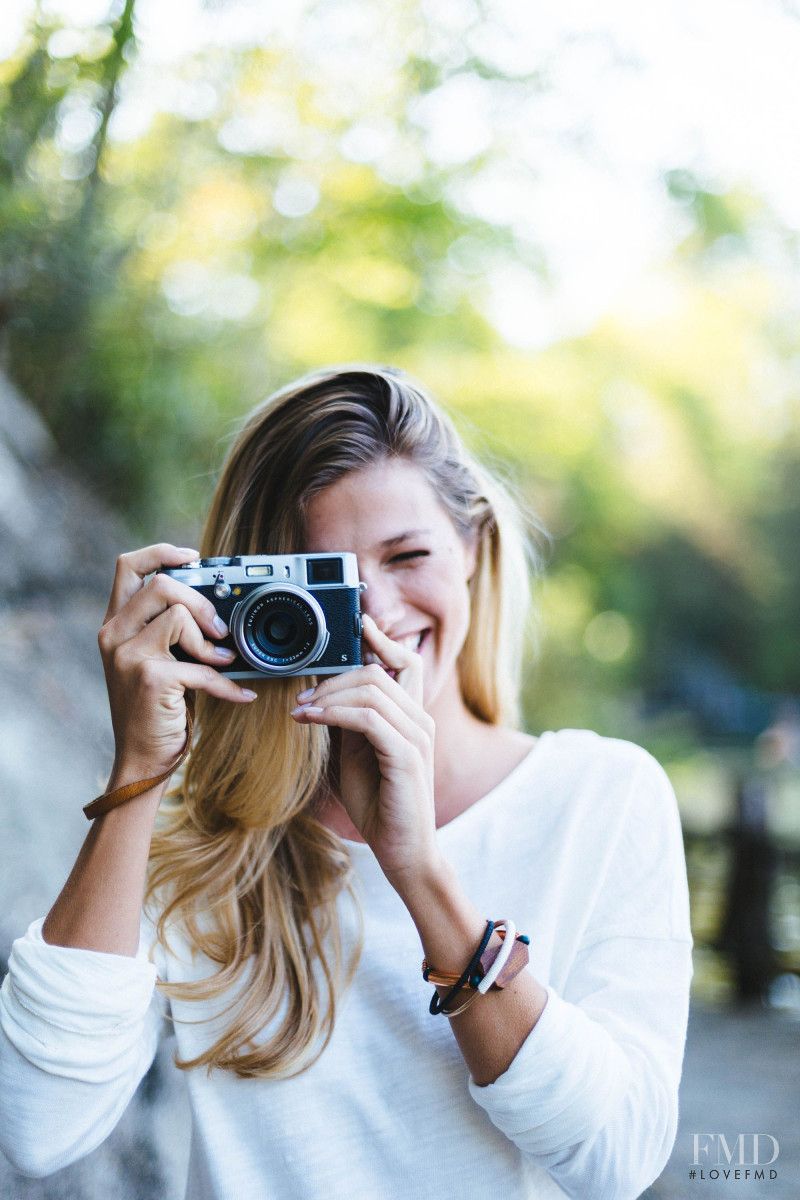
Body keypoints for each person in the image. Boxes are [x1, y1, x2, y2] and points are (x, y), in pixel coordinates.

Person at [0, 365, 692, 1199]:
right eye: (319, 582)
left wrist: (419, 870)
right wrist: (138, 779)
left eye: (408, 557)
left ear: (473, 548)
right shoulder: (203, 840)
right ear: (246, 599)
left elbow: (618, 1159)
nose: (376, 617)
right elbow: (36, 1128)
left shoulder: (601, 798)